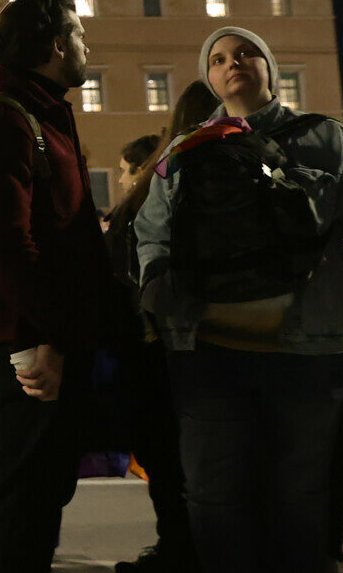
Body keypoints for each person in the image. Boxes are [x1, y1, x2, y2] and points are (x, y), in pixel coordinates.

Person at [136, 25, 343, 573]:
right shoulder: (186, 150)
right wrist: (157, 288)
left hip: (313, 349)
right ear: (208, 79)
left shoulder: (328, 139)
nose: (232, 63)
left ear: (270, 67)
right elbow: (151, 231)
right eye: (217, 59)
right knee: (214, 497)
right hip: (209, 349)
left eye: (245, 53)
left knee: (302, 498)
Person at [0, 0, 118, 572]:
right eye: (79, 36)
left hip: (46, 338)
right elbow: (6, 243)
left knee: (41, 499)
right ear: (55, 46)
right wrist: (44, 340)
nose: (85, 46)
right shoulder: (5, 119)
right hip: (23, 343)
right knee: (23, 507)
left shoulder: (41, 114)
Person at [102, 83, 217, 573]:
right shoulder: (245, 166)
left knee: (168, 462)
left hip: (153, 349)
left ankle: (178, 547)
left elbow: (119, 278)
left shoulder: (155, 186)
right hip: (224, 342)